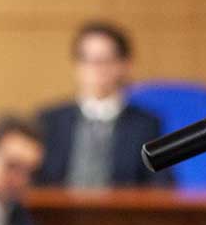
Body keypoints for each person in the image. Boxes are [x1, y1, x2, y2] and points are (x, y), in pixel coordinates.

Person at [36, 21, 170, 187]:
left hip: (123, 212)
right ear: (76, 66)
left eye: (106, 60)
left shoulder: (146, 124)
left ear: (124, 65)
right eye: (89, 60)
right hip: (57, 211)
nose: (97, 69)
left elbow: (162, 187)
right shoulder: (49, 121)